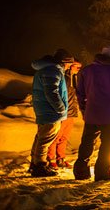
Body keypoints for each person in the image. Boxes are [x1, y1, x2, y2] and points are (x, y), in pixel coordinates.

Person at [73, 45, 110, 182]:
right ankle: (102, 173)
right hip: (109, 115)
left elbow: (80, 93)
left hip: (91, 114)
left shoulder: (87, 70)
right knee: (108, 144)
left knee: (87, 142)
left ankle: (81, 171)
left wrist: (84, 109)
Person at [29, 48, 74, 177]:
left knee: (41, 137)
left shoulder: (48, 70)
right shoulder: (52, 71)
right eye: (69, 64)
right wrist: (61, 109)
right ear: (64, 62)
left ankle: (35, 163)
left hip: (45, 110)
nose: (69, 67)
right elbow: (51, 92)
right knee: (45, 139)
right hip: (50, 112)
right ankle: (40, 166)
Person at [46, 59, 82, 169]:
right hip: (62, 112)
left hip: (71, 112)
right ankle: (51, 159)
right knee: (56, 136)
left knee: (64, 137)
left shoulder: (74, 78)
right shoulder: (64, 77)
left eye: (80, 67)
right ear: (71, 66)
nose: (79, 69)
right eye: (77, 67)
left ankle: (61, 158)